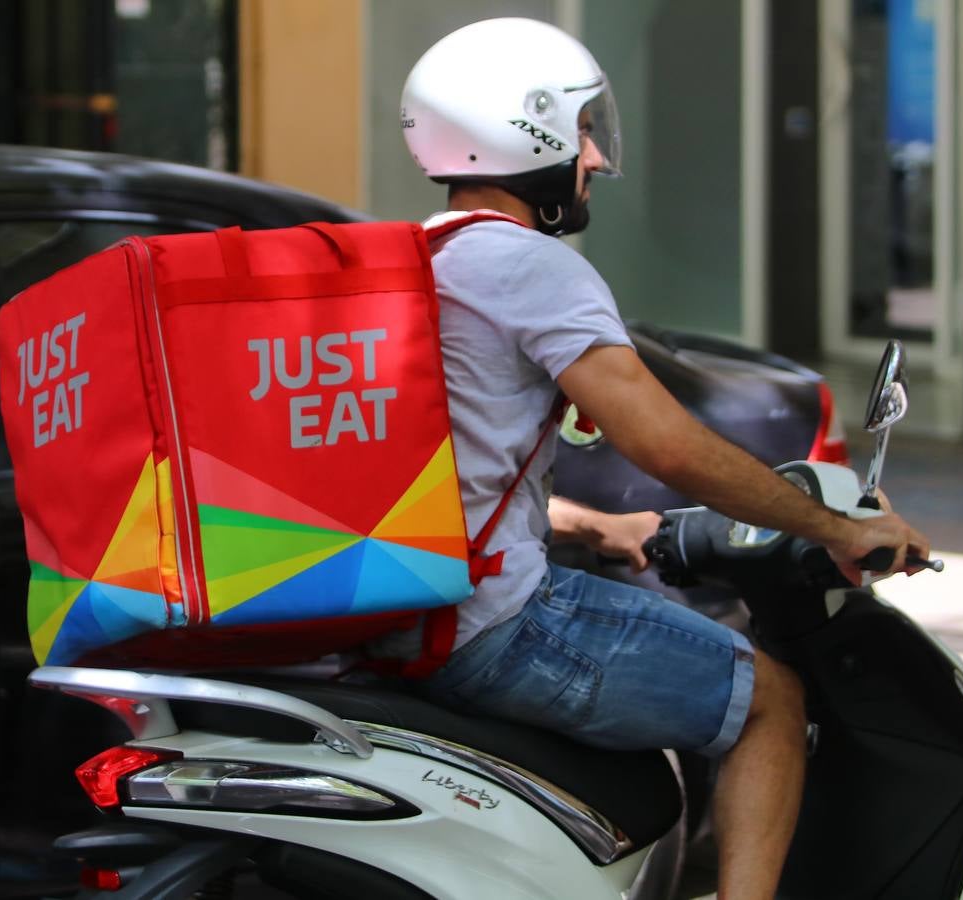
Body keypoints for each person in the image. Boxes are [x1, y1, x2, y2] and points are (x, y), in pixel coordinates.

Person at [399, 18, 931, 899]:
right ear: (526, 133)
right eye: (580, 132)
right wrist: (837, 527)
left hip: (393, 615)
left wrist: (592, 523)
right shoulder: (532, 267)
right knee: (768, 700)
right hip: (489, 627)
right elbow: (666, 444)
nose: (595, 161)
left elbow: (441, 466)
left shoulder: (413, 264)